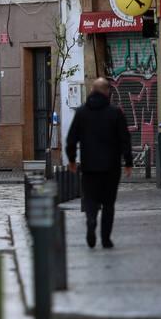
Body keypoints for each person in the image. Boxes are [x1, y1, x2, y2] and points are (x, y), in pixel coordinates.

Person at [65, 78, 133, 249]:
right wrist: (128, 161)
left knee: (90, 199)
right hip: (111, 167)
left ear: (92, 91)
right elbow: (125, 139)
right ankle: (106, 239)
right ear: (107, 92)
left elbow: (71, 138)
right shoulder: (115, 112)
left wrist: (72, 159)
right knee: (109, 203)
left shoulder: (81, 113)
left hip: (89, 167)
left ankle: (91, 219)